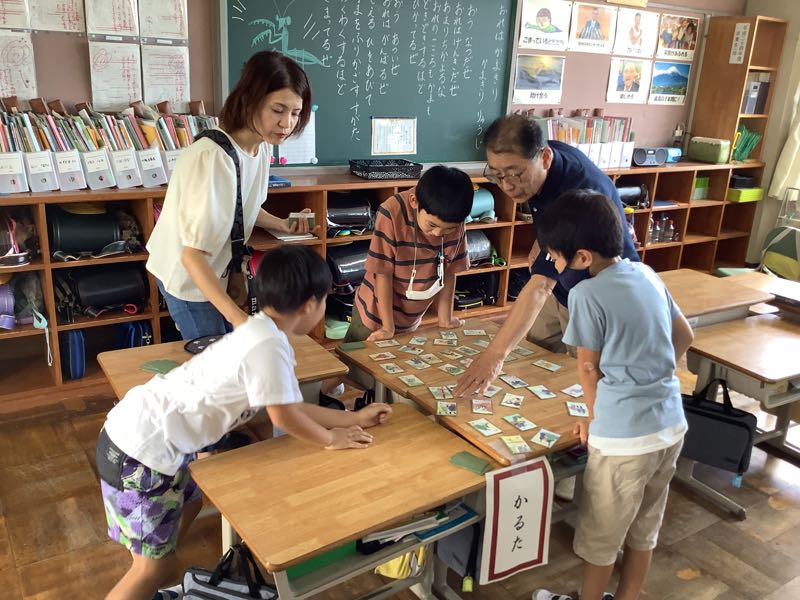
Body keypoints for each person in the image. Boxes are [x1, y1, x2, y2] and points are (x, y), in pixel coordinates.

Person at [97, 246, 393, 600]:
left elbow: (290, 405)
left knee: (191, 503)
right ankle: (151, 574)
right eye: (325, 300)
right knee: (148, 569)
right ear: (308, 305)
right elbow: (283, 416)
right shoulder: (268, 347)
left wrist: (354, 417)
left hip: (152, 439)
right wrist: (330, 439)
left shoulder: (260, 331)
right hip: (140, 452)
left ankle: (160, 562)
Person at [531, 190, 693, 600]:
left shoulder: (585, 294)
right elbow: (685, 335)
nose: (554, 265)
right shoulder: (648, 274)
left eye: (556, 257)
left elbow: (588, 368)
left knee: (601, 538)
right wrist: (651, 374)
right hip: (671, 425)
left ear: (583, 257)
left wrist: (594, 417)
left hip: (624, 440)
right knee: (644, 528)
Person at [454, 114, 638, 397]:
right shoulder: (543, 158)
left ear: (546, 158)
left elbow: (541, 286)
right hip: (564, 284)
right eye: (497, 174)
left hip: (599, 299)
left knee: (585, 380)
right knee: (531, 357)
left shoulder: (577, 194)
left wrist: (493, 356)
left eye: (515, 173)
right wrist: (543, 242)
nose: (507, 185)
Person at [146, 51, 316, 341]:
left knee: (229, 349)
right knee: (216, 358)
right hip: (188, 277)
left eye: (296, 113)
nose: (287, 123)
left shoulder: (260, 147)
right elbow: (191, 257)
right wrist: (238, 318)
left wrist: (282, 224)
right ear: (250, 100)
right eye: (278, 110)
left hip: (214, 269)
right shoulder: (212, 158)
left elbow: (241, 207)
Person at [345, 165, 473, 342]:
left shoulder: (454, 217)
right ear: (414, 202)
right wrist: (387, 328)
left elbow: (449, 272)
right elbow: (382, 273)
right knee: (357, 356)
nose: (438, 234)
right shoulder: (391, 212)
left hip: (411, 317)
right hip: (374, 316)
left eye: (448, 229)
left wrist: (446, 319)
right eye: (432, 225)